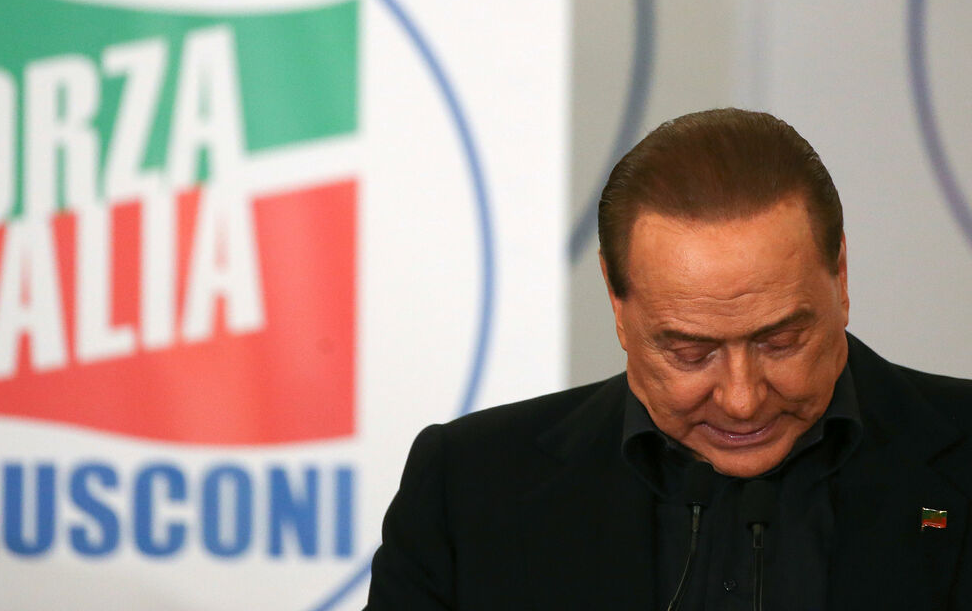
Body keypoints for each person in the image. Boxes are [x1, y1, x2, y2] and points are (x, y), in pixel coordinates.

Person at [364, 108, 972, 610]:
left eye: (780, 342)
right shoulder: (469, 487)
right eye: (691, 353)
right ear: (617, 301)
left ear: (840, 275)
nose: (742, 399)